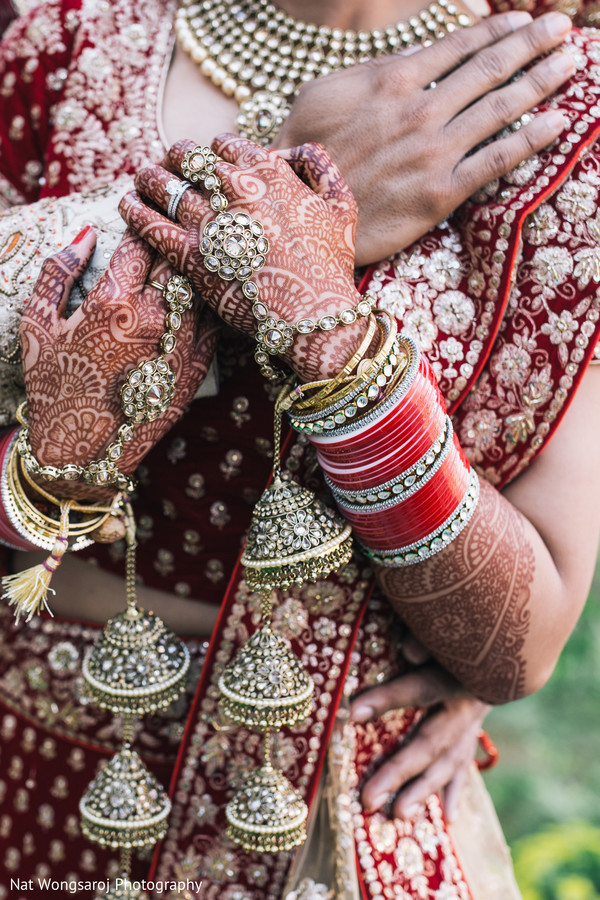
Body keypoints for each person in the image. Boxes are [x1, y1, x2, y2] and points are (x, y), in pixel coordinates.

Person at [0, 1, 599, 899]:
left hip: (327, 816)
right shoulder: (67, 37)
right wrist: (283, 195)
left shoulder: (556, 102)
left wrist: (330, 342)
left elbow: (517, 650)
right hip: (25, 765)